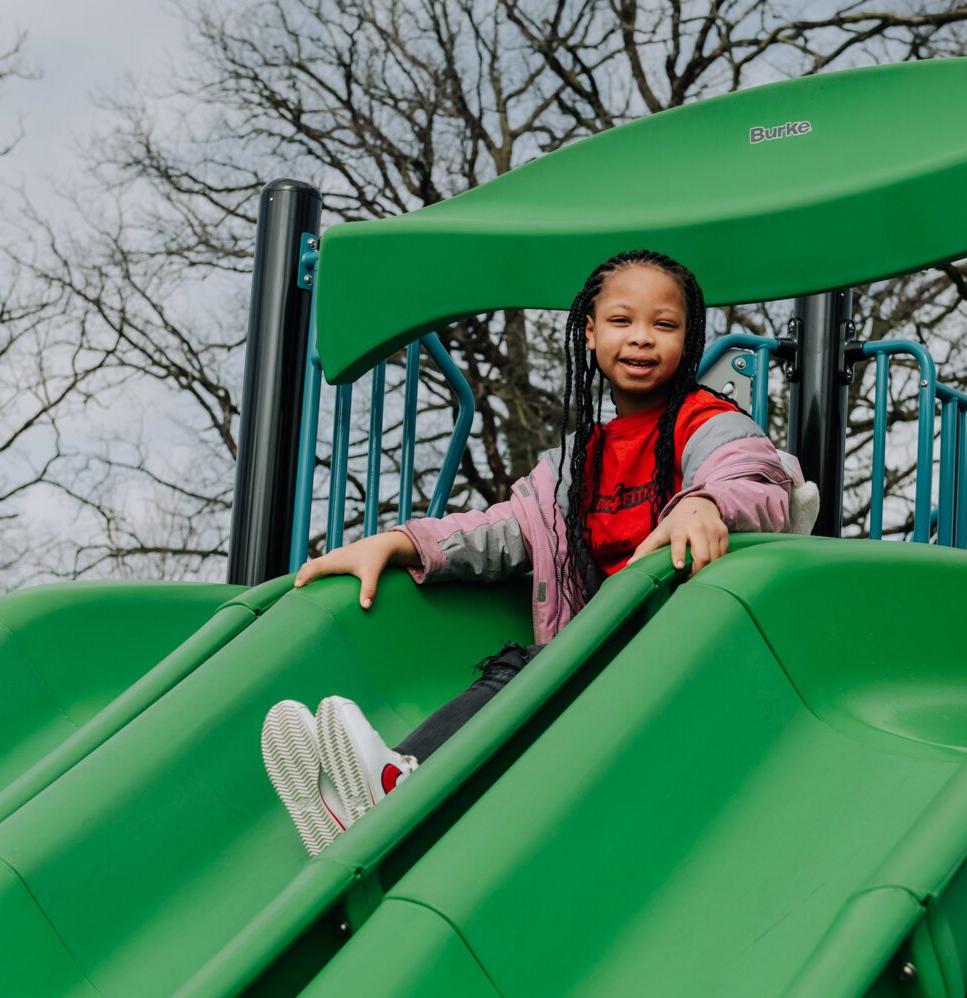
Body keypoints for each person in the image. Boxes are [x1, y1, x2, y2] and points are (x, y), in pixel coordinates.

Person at [260, 249, 811, 856]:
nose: (643, 339)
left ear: (689, 337)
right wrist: (400, 540)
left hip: (685, 664)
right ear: (589, 332)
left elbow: (755, 476)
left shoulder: (704, 421)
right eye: (623, 320)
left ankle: (394, 782)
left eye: (665, 325)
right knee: (530, 669)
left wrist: (704, 503)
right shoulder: (577, 461)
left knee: (530, 668)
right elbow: (507, 529)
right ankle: (380, 790)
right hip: (602, 667)